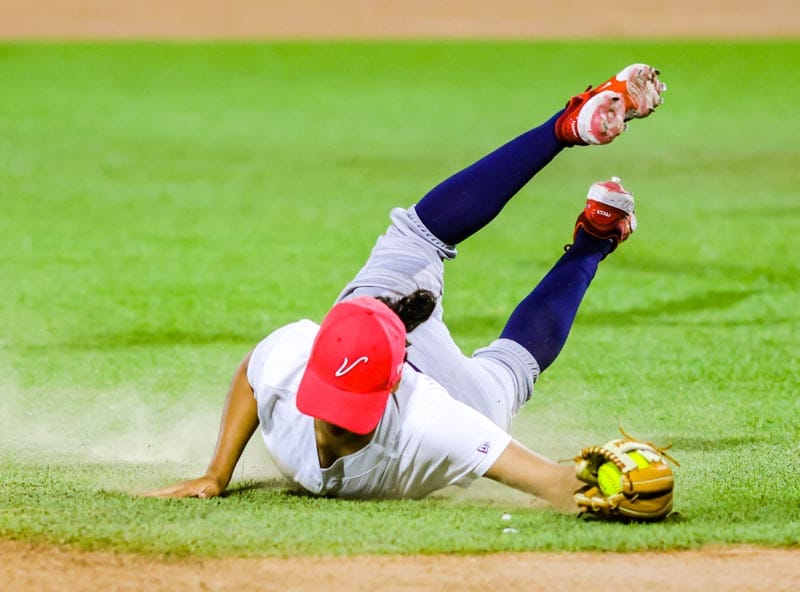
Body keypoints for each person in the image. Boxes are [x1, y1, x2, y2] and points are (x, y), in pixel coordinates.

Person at [143, 64, 667, 514]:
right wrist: (216, 474)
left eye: (348, 412)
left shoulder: (436, 422)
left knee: (505, 364)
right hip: (369, 317)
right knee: (505, 358)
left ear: (393, 388)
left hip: (429, 380)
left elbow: (550, 483)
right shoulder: (296, 356)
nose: (334, 422)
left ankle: (581, 198)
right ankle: (590, 227)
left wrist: (614, 485)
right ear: (315, 361)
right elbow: (253, 375)